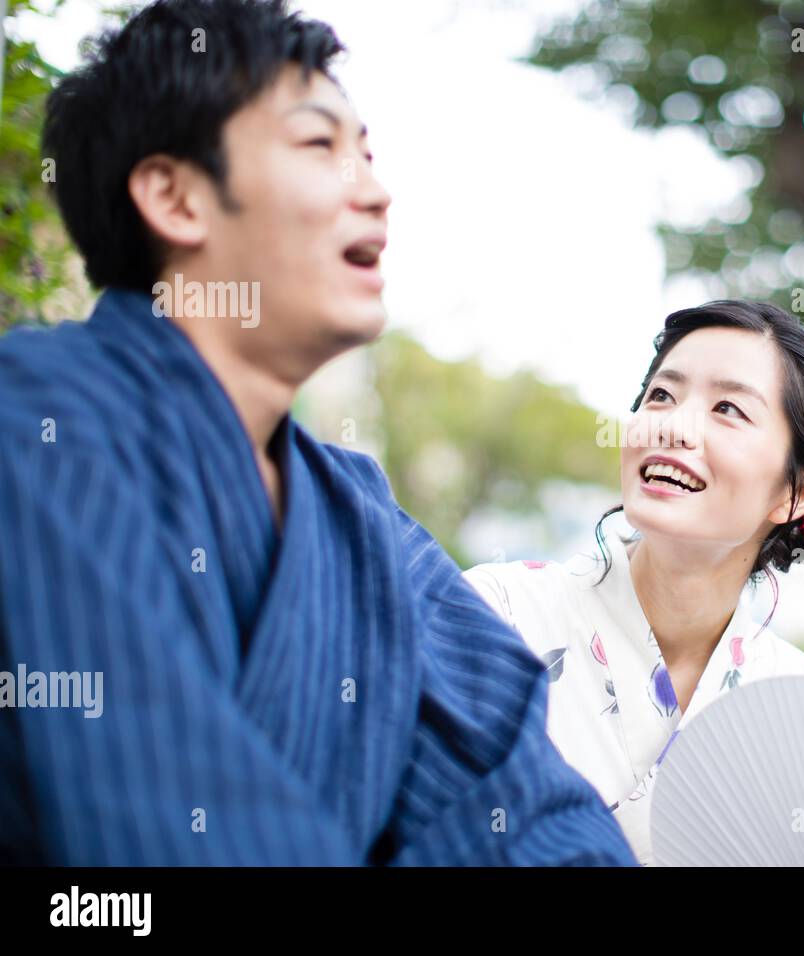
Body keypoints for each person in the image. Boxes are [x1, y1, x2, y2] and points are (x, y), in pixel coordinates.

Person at [0, 0, 635, 866]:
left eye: (366, 154)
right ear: (175, 196)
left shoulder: (360, 523)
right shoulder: (35, 422)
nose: (374, 190)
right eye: (318, 147)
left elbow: (533, 815)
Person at [464, 300, 804, 864]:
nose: (672, 426)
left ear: (794, 494)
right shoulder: (498, 613)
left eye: (728, 408)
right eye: (662, 396)